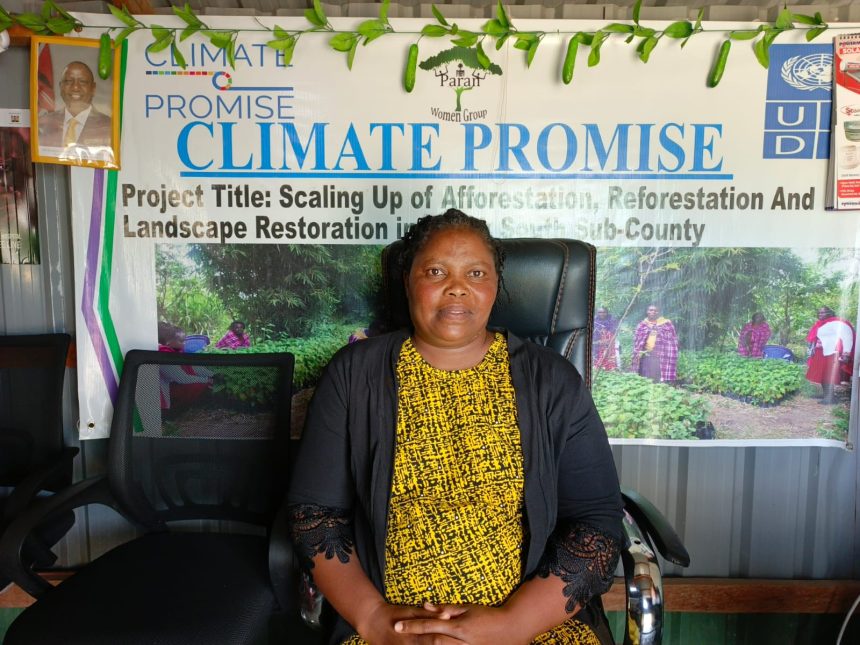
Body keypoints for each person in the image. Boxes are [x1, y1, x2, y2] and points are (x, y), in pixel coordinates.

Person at [287, 210, 623, 645]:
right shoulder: (354, 374)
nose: (457, 286)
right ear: (408, 281)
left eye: (476, 273)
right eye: (436, 271)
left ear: (495, 286)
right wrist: (374, 619)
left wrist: (511, 625)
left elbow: (596, 524)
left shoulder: (553, 381)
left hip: (527, 626)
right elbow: (315, 513)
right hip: (390, 627)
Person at [37, 61, 112, 152]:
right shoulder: (44, 123)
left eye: (83, 82)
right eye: (69, 81)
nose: (75, 87)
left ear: (93, 88)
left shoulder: (109, 126)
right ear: (61, 86)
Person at [157, 322, 212, 413]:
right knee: (198, 384)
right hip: (161, 399)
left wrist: (213, 374)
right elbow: (182, 378)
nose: (185, 343)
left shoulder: (176, 352)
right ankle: (175, 412)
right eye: (181, 341)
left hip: (172, 386)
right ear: (168, 343)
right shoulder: (164, 356)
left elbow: (193, 368)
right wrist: (207, 380)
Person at [805, 306, 855, 404]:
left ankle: (830, 397)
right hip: (820, 353)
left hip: (831, 353)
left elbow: (847, 336)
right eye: (819, 312)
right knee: (822, 376)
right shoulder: (820, 324)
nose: (820, 314)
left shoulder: (837, 323)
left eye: (823, 312)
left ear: (830, 313)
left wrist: (846, 353)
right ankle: (826, 395)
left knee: (828, 375)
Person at [631, 304, 679, 384]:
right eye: (651, 310)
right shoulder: (642, 325)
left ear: (658, 313)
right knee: (645, 375)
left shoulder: (666, 324)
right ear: (647, 312)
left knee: (658, 377)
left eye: (655, 311)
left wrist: (658, 332)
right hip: (646, 355)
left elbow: (672, 340)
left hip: (661, 355)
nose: (653, 312)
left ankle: (659, 389)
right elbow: (637, 341)